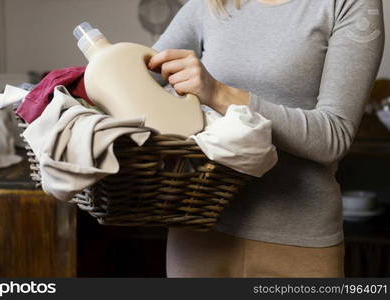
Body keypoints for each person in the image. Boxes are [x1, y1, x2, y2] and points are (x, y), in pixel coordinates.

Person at [148, 0, 385, 278]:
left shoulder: (348, 4)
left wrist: (221, 94)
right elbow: (132, 81)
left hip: (298, 243)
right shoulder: (209, 4)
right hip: (197, 233)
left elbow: (333, 137)